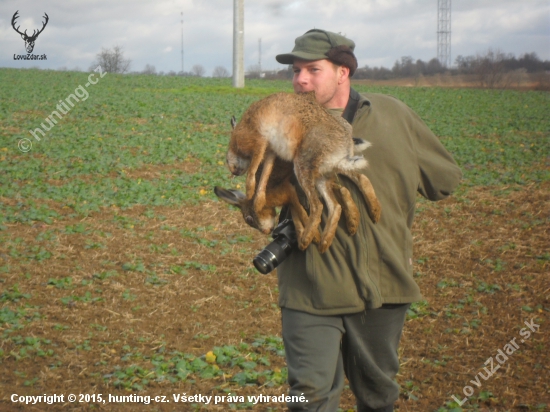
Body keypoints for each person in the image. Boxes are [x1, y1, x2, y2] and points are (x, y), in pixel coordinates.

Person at [274, 29, 462, 412]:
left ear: (343, 71)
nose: (300, 80)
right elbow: (260, 204)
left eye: (312, 69)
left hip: (382, 286)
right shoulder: (283, 128)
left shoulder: (393, 116)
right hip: (310, 287)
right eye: (295, 71)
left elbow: (444, 181)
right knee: (309, 400)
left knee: (377, 399)